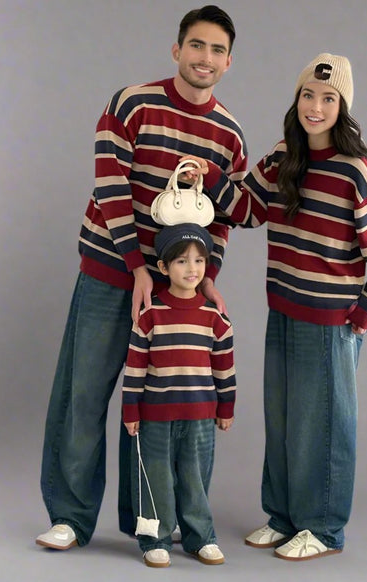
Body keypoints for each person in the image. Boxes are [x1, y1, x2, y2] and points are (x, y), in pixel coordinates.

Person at [36, 5, 247, 550]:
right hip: (112, 271)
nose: (206, 58)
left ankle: (148, 524)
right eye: (197, 46)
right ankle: (71, 516)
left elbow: (223, 218)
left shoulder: (229, 134)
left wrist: (207, 278)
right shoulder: (132, 104)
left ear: (229, 62)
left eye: (217, 50)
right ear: (177, 50)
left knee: (157, 406)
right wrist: (136, 269)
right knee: (84, 395)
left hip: (179, 294)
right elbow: (111, 186)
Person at [181, 53, 367, 560]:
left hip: (329, 323)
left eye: (327, 98)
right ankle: (282, 517)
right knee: (281, 420)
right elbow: (247, 208)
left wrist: (357, 323)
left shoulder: (355, 172)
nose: (315, 107)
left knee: (321, 427)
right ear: (297, 99)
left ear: (342, 107)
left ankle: (322, 528)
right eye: (307, 95)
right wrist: (208, 177)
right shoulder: (284, 158)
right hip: (283, 309)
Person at [122, 223, 236, 568]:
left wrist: (226, 408)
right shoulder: (150, 315)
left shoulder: (216, 319)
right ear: (164, 268)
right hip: (155, 416)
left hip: (200, 416)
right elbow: (135, 369)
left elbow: (224, 370)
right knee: (155, 477)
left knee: (195, 478)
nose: (192, 269)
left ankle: (200, 537)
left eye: (199, 261)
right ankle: (155, 538)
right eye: (183, 262)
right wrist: (131, 412)